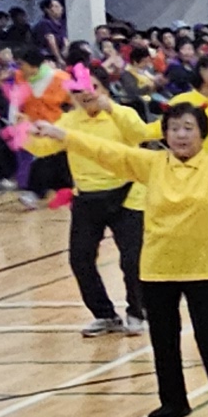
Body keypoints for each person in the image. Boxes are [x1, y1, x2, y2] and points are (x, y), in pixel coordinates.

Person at [28, 99, 208, 417]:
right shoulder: (151, 164)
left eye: (188, 128)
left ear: (202, 133)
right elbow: (106, 151)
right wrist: (62, 135)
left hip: (205, 267)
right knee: (163, 339)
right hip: (158, 267)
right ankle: (173, 402)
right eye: (174, 129)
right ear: (164, 134)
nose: (180, 135)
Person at [52, 77, 154, 338]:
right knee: (80, 258)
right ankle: (104, 315)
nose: (86, 93)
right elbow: (44, 146)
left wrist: (111, 108)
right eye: (78, 90)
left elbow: (140, 134)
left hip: (128, 193)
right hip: (87, 197)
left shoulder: (123, 113)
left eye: (92, 87)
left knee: (132, 259)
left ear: (104, 89)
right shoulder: (68, 121)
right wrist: (26, 132)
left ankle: (138, 311)